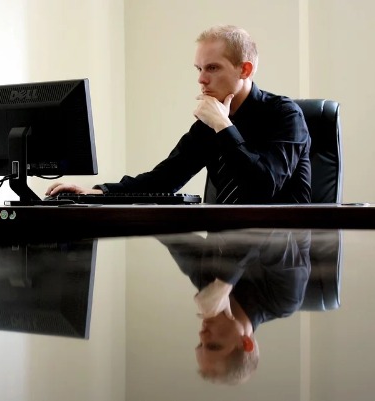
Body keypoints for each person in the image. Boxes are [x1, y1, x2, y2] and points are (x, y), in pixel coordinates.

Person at [47, 25, 311, 204]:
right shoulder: (210, 123)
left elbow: (263, 186)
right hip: (224, 254)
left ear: (245, 69)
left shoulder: (285, 115)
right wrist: (97, 192)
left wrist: (223, 125)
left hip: (279, 259)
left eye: (212, 68)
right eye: (198, 69)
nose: (202, 79)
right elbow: (164, 180)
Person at [157, 229, 312, 384]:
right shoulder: (284, 299)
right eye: (213, 345)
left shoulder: (207, 285)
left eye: (200, 344)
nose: (202, 335)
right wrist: (223, 284)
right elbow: (266, 228)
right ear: (246, 342)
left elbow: (173, 235)